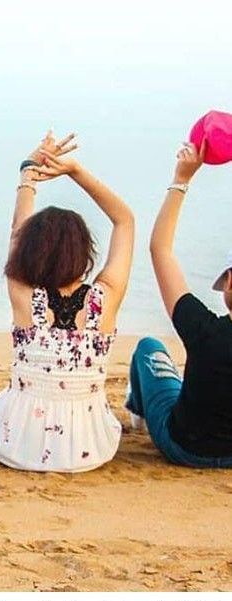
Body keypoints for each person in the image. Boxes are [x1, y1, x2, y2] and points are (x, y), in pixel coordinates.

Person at [0, 131, 134, 472]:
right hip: (89, 449)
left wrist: (29, 173)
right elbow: (124, 220)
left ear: (30, 251)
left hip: (18, 445)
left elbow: (17, 230)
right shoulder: (104, 299)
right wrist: (74, 171)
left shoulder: (24, 295)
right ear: (85, 251)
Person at [127, 140, 232, 467]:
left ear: (229, 282)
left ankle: (138, 414)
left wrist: (181, 179)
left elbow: (160, 249)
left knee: (148, 347)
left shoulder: (204, 329)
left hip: (184, 448)